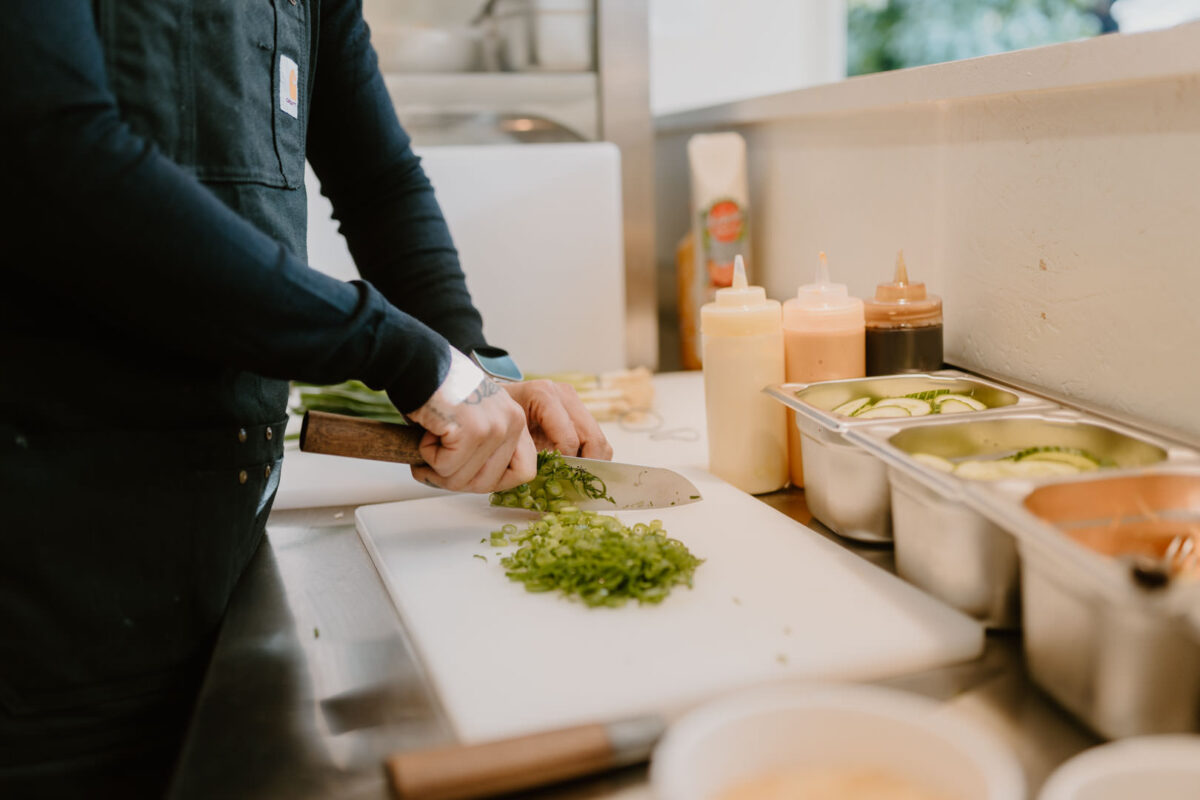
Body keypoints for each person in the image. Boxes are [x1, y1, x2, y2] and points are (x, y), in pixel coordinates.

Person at [0, 1, 612, 795]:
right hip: (51, 576)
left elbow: (378, 181)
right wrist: (393, 348)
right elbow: (55, 155)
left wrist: (476, 371)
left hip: (231, 548)